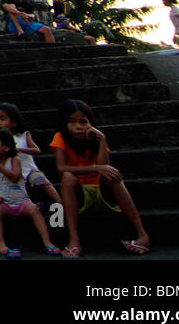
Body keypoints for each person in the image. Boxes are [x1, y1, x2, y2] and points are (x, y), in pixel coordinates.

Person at [50, 98, 150, 257]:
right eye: (72, 122)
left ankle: (142, 235)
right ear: (64, 124)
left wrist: (102, 141)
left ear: (90, 122)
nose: (78, 126)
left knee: (111, 174)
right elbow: (61, 168)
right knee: (68, 177)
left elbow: (105, 167)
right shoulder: (60, 137)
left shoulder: (96, 138)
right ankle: (74, 240)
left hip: (104, 192)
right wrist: (95, 168)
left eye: (83, 122)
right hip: (81, 194)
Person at [0, 126, 61, 258]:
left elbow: (15, 177)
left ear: (6, 147)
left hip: (22, 202)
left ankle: (47, 242)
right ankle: (1, 244)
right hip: (5, 203)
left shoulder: (15, 160)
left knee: (34, 210)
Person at [0, 102, 61, 208]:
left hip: (29, 170)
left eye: (2, 119)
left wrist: (19, 149)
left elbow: (36, 150)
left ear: (14, 122)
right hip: (15, 173)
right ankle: (36, 205)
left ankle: (59, 201)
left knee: (42, 181)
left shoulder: (23, 135)